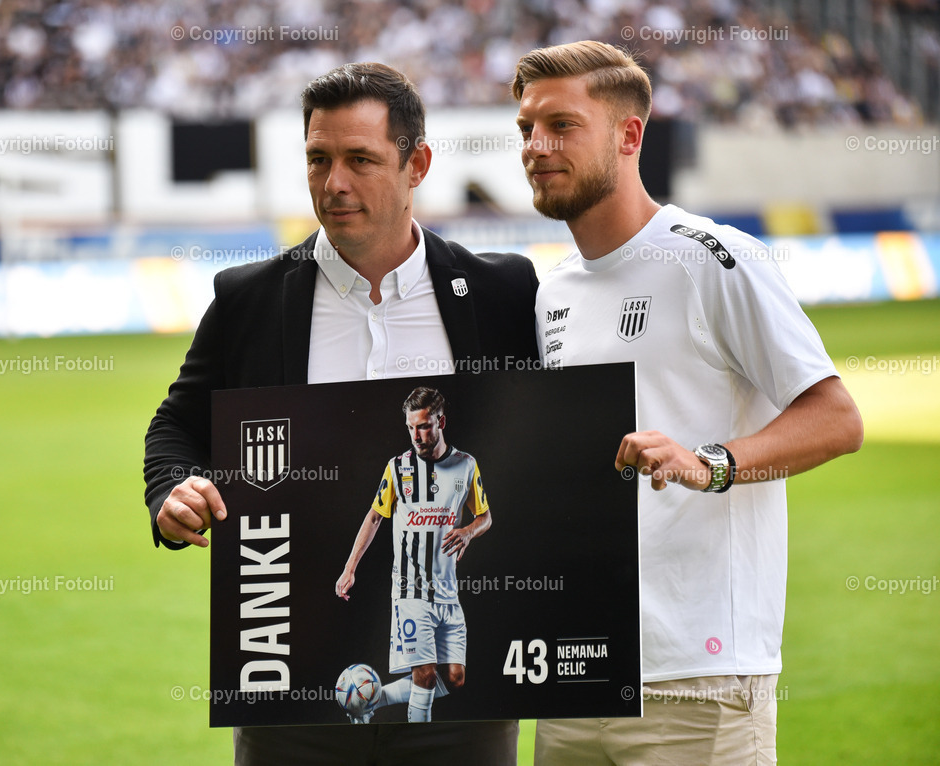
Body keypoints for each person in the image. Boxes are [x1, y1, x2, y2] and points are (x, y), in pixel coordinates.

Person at [143, 62, 537, 766]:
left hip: (460, 703)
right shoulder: (250, 301)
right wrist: (172, 490)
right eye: (318, 160)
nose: (335, 183)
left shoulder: (499, 294)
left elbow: (543, 442)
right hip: (290, 687)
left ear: (417, 163)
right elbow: (175, 427)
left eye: (360, 160)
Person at [512, 41, 863, 765]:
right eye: (525, 129)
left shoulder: (712, 258)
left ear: (628, 135)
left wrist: (712, 462)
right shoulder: (554, 291)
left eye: (561, 125)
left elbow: (836, 418)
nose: (536, 147)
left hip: (697, 679)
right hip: (579, 674)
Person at [335, 386, 491, 724]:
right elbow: (375, 516)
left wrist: (467, 532)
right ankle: (416, 745)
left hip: (448, 591)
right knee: (424, 675)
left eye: (423, 426)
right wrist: (350, 568)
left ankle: (371, 700)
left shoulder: (466, 465)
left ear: (441, 422)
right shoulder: (397, 468)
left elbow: (485, 516)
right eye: (410, 427)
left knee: (455, 678)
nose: (416, 435)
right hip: (410, 590)